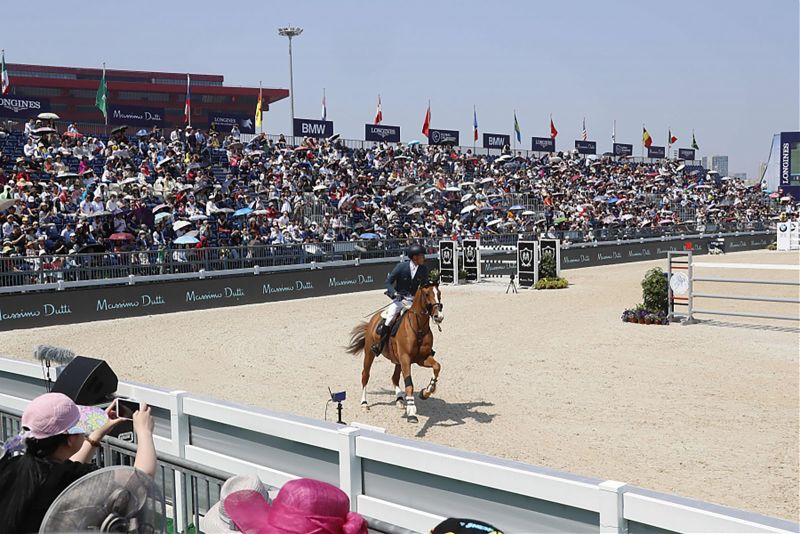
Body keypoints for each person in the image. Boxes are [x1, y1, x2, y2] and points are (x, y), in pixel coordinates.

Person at [0, 393, 156, 533]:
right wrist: (144, 432)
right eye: (81, 427)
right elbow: (141, 479)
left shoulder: (12, 465)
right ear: (70, 438)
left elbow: (64, 472)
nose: (84, 431)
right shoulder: (73, 479)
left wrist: (97, 434)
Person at [371, 243, 429, 355]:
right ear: (415, 257)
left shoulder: (423, 269)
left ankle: (426, 346)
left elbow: (424, 286)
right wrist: (394, 293)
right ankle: (380, 345)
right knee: (390, 318)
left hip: (414, 301)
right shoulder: (401, 267)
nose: (424, 258)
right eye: (422, 256)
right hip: (400, 300)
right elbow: (388, 282)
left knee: (425, 317)